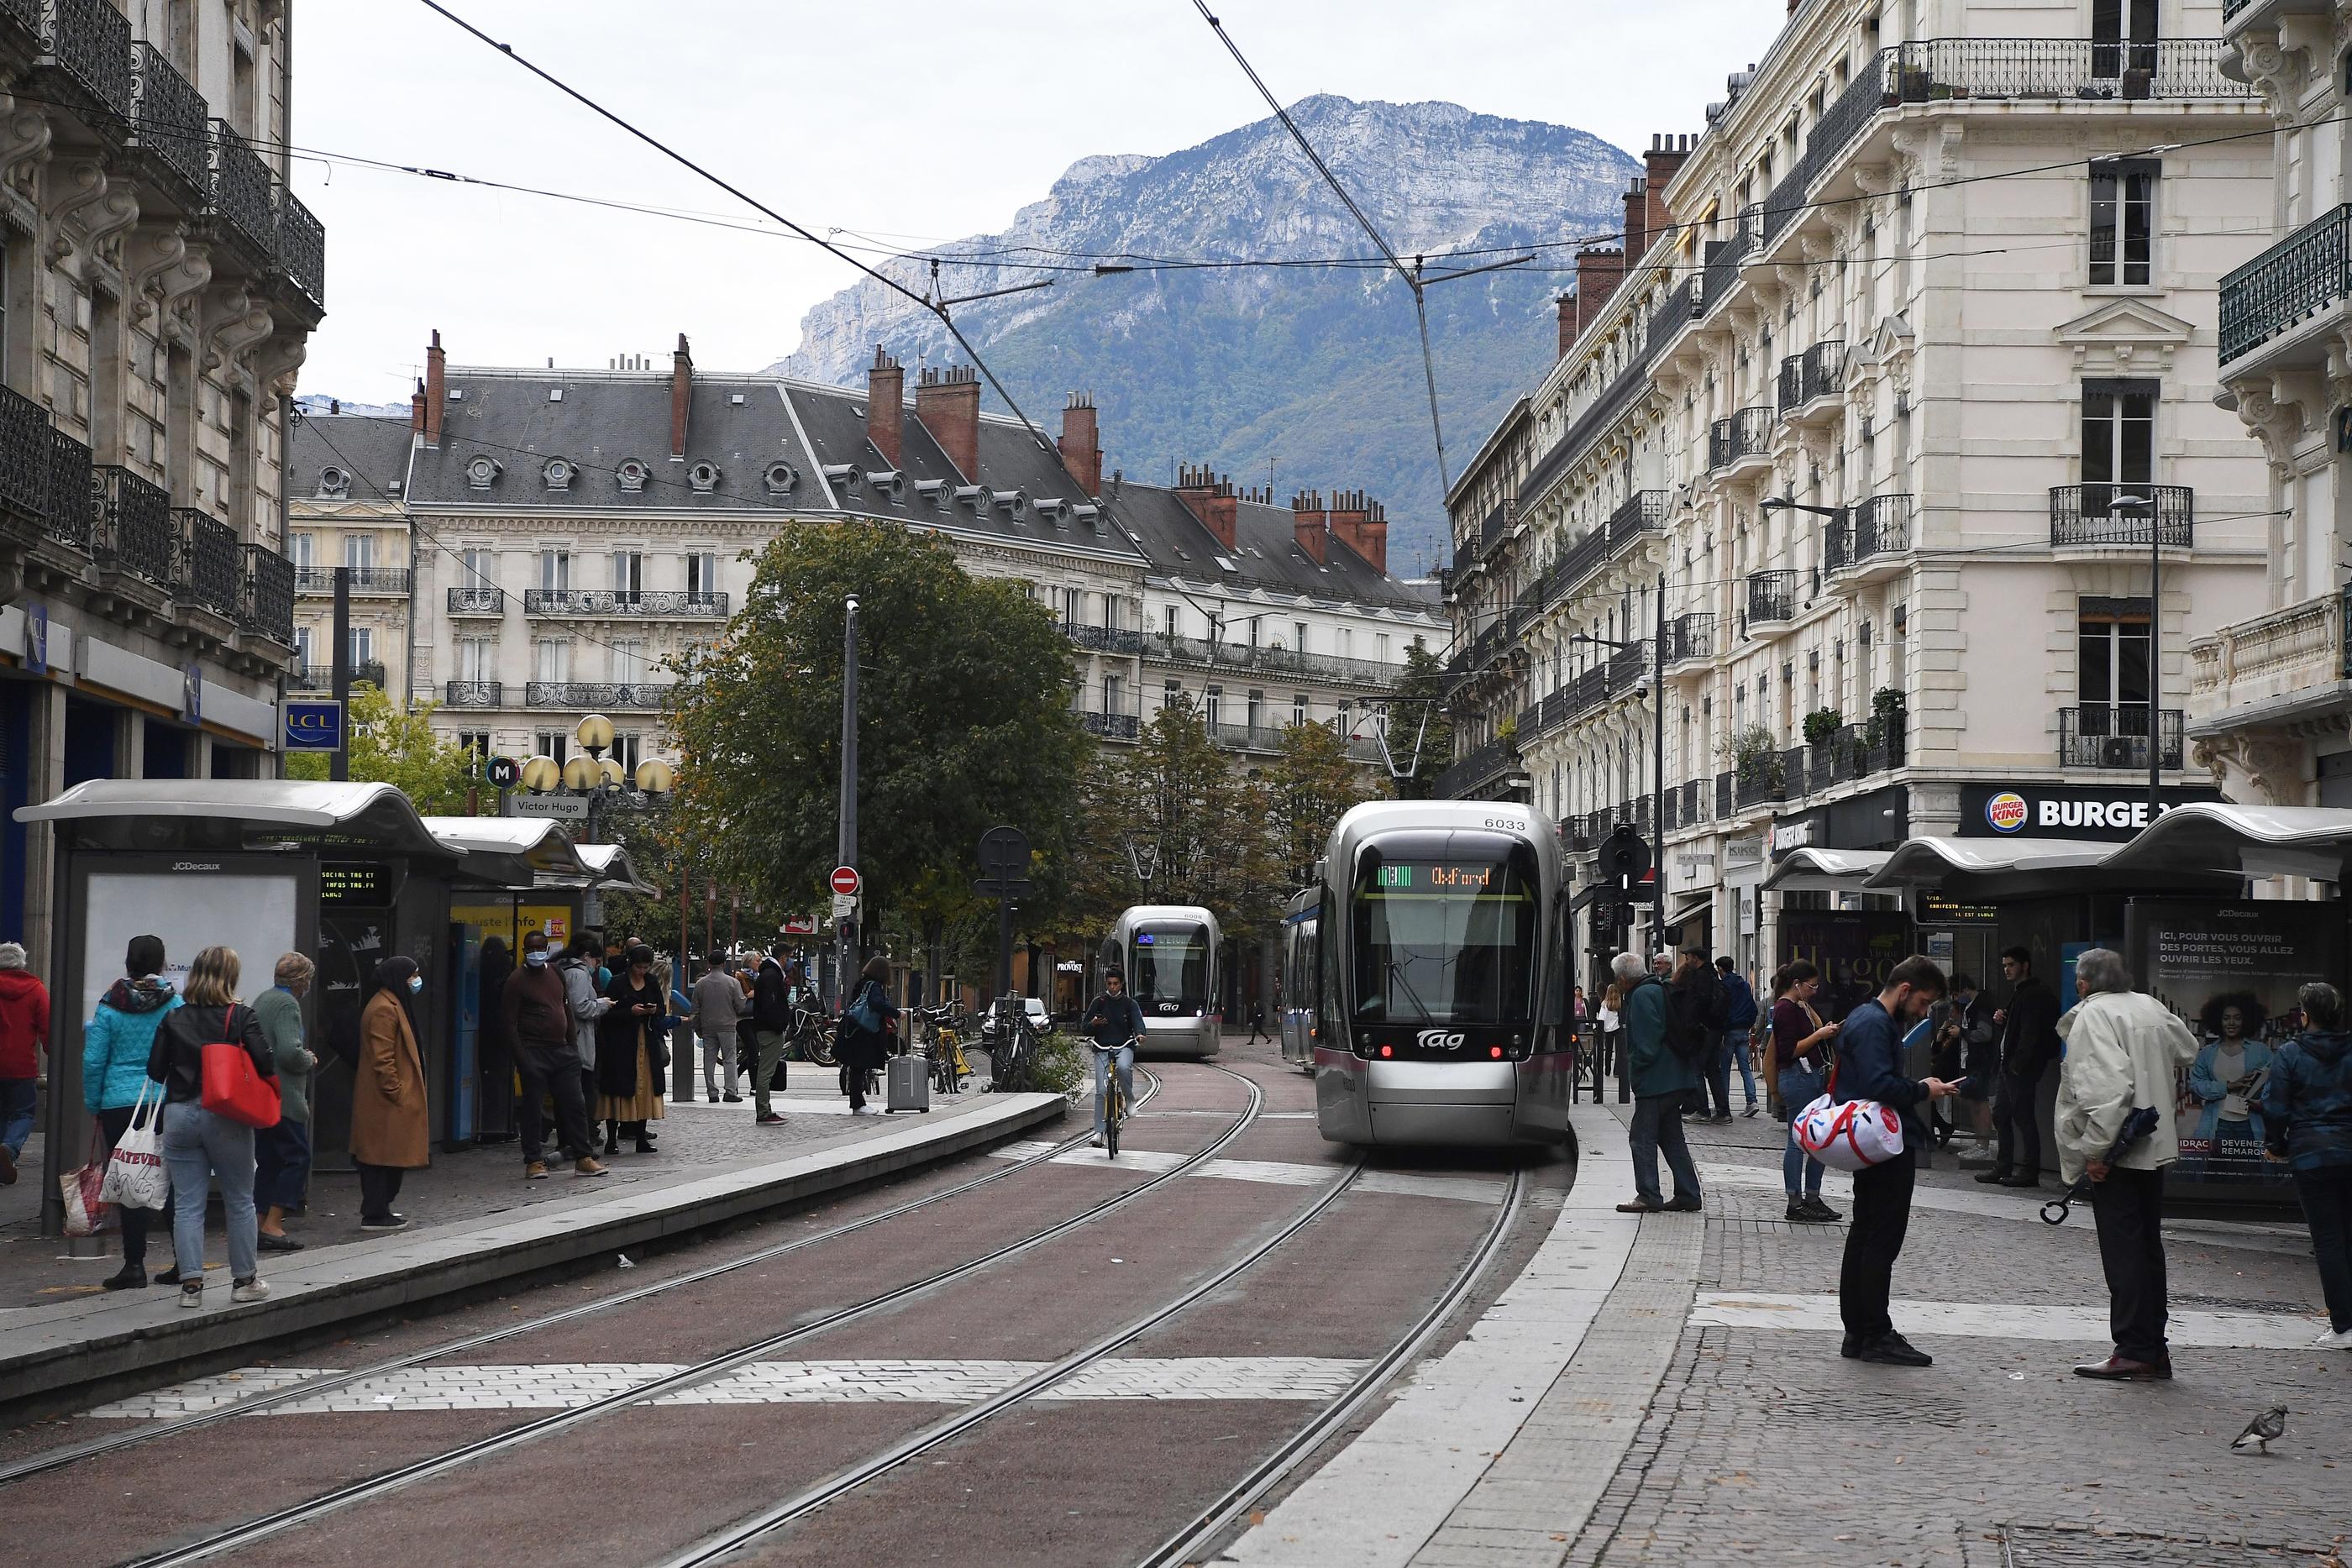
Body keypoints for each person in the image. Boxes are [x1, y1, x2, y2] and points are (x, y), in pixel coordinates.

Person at [2054, 947, 2198, 1380]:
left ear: (2083, 984)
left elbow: (2107, 1091)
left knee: (2125, 1253)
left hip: (2121, 1148)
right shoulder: (2148, 1005)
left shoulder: (2093, 1016)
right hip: (2152, 1146)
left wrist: (2095, 1152)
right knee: (2146, 1249)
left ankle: (2135, 1348)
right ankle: (2153, 1347)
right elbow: (2188, 1049)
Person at [1832, 954, 1958, 1366]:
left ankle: (1860, 1331)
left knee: (1867, 1233)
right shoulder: (1874, 1024)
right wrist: (1924, 1089)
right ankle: (1873, 1332)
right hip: (1882, 1141)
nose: (1923, 1012)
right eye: (1923, 1002)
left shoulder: (1866, 1019)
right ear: (1905, 990)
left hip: (1873, 1140)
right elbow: (1879, 1084)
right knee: (1879, 1237)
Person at [149, 946, 276, 1308]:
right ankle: (244, 1281)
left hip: (179, 1115)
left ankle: (190, 1287)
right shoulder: (241, 1016)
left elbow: (155, 1070)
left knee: (188, 1204)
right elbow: (265, 1063)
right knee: (239, 1200)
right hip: (226, 1114)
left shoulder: (174, 1018)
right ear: (230, 977)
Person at [83, 935, 181, 1289]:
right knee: (171, 1179)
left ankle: (134, 1265)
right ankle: (184, 1262)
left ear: (128, 962)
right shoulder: (176, 1003)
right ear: (162, 962)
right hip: (165, 1099)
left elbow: (94, 1061)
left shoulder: (110, 1005)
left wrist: (95, 1103)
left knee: (128, 1179)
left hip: (118, 1103)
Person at [2261, 982, 2352, 1350]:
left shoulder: (2290, 1054)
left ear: (2305, 1015)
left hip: (2311, 1154)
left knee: (2328, 1240)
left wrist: (2276, 1145)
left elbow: (2276, 1105)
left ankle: (2343, 1326)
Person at [503, 929, 606, 1178]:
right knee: (533, 1109)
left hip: (562, 1051)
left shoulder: (556, 972)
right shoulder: (517, 980)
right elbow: (508, 1023)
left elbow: (566, 1008)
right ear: (525, 951)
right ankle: (534, 1161)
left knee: (576, 1105)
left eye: (540, 948)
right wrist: (523, 1059)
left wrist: (571, 1045)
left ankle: (583, 1156)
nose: (536, 953)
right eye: (531, 949)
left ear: (547, 948)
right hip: (534, 1051)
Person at [1613, 952, 1702, 1214]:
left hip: (1656, 1081)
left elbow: (1646, 1044)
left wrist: (1635, 1072)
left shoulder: (1640, 996)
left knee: (1641, 1138)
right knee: (1672, 1138)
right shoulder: (1659, 988)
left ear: (1623, 978)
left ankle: (1649, 1194)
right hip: (1677, 1077)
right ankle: (1688, 1193)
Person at [353, 956, 430, 1233]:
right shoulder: (384, 1009)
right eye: (412, 975)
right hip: (387, 1100)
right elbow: (382, 1057)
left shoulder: (392, 1004)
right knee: (383, 1158)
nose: (416, 981)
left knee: (391, 1157)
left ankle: (380, 1208)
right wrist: (396, 1091)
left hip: (391, 1098)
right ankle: (375, 1212)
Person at [250, 953, 317, 1252]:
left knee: (268, 1161)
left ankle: (259, 1223)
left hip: (261, 1094)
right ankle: (274, 1224)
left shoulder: (263, 999)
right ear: (301, 980)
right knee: (297, 1157)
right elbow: (290, 1052)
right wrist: (309, 1059)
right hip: (283, 1096)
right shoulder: (289, 1005)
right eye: (308, 980)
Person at [1982, 946, 2061, 1189]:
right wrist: (2003, 1022)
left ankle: (2028, 1169)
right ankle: (2004, 1165)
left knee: (2022, 1115)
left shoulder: (2033, 994)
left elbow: (2030, 1033)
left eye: (2011, 965)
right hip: (2011, 1064)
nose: (2006, 970)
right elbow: (2019, 1030)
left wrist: (2018, 1064)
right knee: (2003, 1114)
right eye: (2004, 965)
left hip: (2019, 1066)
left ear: (2024, 966)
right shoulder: (2021, 994)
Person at [1769, 961, 1840, 1225]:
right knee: (1798, 1141)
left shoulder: (1799, 1007)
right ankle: (1796, 1200)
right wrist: (1820, 1034)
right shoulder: (1785, 1009)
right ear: (1797, 984)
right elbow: (1788, 1051)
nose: (1815, 990)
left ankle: (1811, 1197)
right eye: (1811, 986)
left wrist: (1820, 1027)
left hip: (1809, 1077)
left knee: (1817, 1140)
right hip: (1798, 1077)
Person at [2187, 994, 2273, 1174]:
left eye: (2237, 1017)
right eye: (2226, 1018)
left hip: (2250, 1124)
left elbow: (2276, 1085)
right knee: (2214, 1173)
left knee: (2252, 1174)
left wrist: (2262, 1102)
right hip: (2217, 1123)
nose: (2231, 1023)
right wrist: (2227, 1086)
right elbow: (2196, 1085)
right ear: (2218, 1021)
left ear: (2246, 1020)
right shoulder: (2207, 1053)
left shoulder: (2261, 1052)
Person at [596, 944, 669, 1153]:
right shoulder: (618, 983)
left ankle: (641, 1138)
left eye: (646, 967)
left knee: (644, 1088)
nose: (642, 971)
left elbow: (661, 1010)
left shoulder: (651, 982)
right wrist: (630, 1012)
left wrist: (654, 1010)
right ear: (631, 965)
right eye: (639, 967)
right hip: (621, 1044)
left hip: (646, 1042)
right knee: (617, 1090)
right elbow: (607, 1014)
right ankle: (611, 1139)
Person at [0, 941, 49, 1185]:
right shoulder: (35, 989)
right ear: (22, 962)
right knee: (23, 1114)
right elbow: (47, 1027)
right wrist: (54, 1054)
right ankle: (8, 1149)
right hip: (21, 1066)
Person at [1080, 972, 1145, 1148]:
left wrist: (1139, 1034)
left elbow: (1138, 1022)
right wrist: (1093, 1024)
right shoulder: (1098, 1002)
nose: (1112, 987)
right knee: (1101, 1090)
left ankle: (1130, 1100)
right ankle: (1099, 1132)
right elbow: (1084, 1028)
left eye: (1116, 984)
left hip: (1123, 1045)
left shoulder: (1129, 1004)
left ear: (1121, 984)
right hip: (1102, 1048)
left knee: (1124, 1068)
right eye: (1109, 984)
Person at [559, 936, 612, 1147]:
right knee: (584, 1091)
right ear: (587, 956)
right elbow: (581, 1007)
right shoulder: (579, 975)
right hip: (579, 1040)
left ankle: (569, 1140)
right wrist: (602, 1004)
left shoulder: (562, 969)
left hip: (568, 1040)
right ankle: (580, 1141)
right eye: (596, 961)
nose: (596, 966)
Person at [1668, 948, 1728, 1122]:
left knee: (1696, 1070)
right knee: (1712, 1071)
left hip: (1703, 1030)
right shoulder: (1712, 974)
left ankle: (1702, 1111)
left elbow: (1701, 1001)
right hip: (1715, 1029)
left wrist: (1693, 1022)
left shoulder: (1700, 976)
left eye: (1688, 957)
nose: (1686, 960)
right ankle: (1723, 1111)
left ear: (1695, 958)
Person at [834, 956, 896, 1115]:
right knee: (859, 1068)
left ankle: (858, 1103)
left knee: (856, 1067)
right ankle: (858, 1104)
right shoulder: (874, 986)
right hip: (864, 1032)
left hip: (854, 1029)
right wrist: (896, 1013)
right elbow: (877, 1004)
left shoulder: (862, 983)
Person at [475, 936, 517, 1142]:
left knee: (491, 1083)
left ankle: (492, 1126)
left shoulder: (481, 973)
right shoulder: (505, 976)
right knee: (501, 1082)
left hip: (484, 1035)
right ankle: (500, 1126)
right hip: (502, 1037)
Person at [750, 942, 795, 1126]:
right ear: (784, 957)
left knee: (766, 1070)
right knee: (766, 1072)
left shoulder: (769, 974)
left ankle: (765, 1110)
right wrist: (779, 1025)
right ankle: (763, 1112)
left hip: (767, 1027)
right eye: (790, 957)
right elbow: (771, 1005)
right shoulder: (771, 976)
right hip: (770, 1030)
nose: (791, 961)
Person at [693, 952, 747, 1103]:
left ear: (709, 964)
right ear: (724, 963)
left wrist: (698, 1029)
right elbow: (740, 1005)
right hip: (728, 1025)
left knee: (709, 1060)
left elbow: (695, 1009)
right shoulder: (732, 982)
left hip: (707, 1026)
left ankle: (712, 1092)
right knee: (730, 1058)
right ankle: (730, 1091)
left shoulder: (700, 984)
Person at [1715, 956, 1760, 1119]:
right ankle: (1752, 1101)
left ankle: (1723, 1104)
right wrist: (1748, 1024)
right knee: (1745, 1068)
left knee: (1724, 1069)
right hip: (1743, 1030)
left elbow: (1722, 1009)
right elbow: (1752, 1008)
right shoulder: (1744, 985)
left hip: (1729, 1030)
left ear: (1721, 969)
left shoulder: (1723, 986)